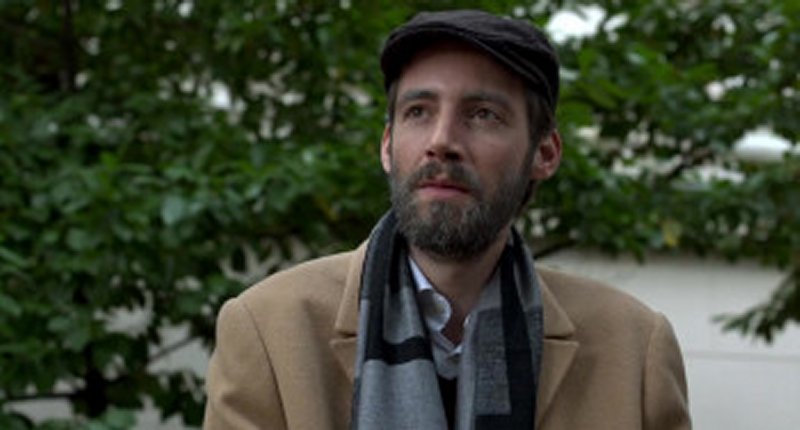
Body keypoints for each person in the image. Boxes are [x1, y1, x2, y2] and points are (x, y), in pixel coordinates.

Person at [203, 9, 691, 430]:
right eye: (418, 111)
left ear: (544, 153)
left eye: (483, 114)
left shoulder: (634, 349)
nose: (441, 141)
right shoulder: (268, 331)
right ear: (388, 146)